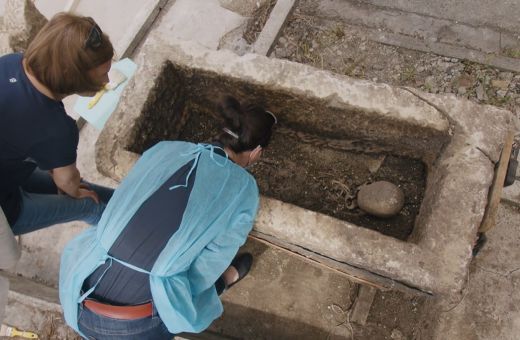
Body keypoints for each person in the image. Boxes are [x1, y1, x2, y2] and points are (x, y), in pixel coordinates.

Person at [59, 95, 277, 339]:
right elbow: (205, 268)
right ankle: (223, 283)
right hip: (137, 325)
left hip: (79, 291)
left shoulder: (167, 148)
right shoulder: (244, 189)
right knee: (192, 292)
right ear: (256, 151)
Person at [0, 13, 115, 236]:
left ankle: (134, 204)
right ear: (68, 73)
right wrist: (69, 184)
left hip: (6, 172)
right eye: (103, 74)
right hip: (3, 211)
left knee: (77, 186)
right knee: (87, 201)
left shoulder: (11, 62)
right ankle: (145, 242)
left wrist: (63, 177)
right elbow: (67, 182)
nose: (108, 81)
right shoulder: (56, 129)